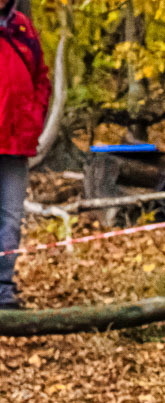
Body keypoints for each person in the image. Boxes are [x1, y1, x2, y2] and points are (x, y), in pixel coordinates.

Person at [0, 0, 51, 310]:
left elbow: (41, 78)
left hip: (17, 143)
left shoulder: (23, 27)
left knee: (10, 219)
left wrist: (35, 116)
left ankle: (3, 291)